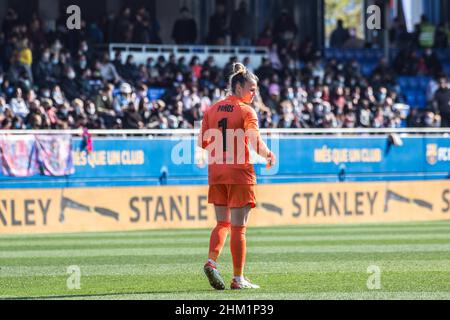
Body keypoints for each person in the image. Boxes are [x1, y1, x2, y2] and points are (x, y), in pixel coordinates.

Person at [198, 62, 276, 290]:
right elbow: (254, 141)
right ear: (239, 87)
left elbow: (203, 142)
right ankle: (238, 278)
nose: (254, 94)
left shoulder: (211, 110)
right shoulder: (246, 111)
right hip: (240, 171)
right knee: (238, 228)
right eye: (251, 89)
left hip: (216, 172)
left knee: (222, 222)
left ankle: (211, 262)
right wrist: (269, 154)